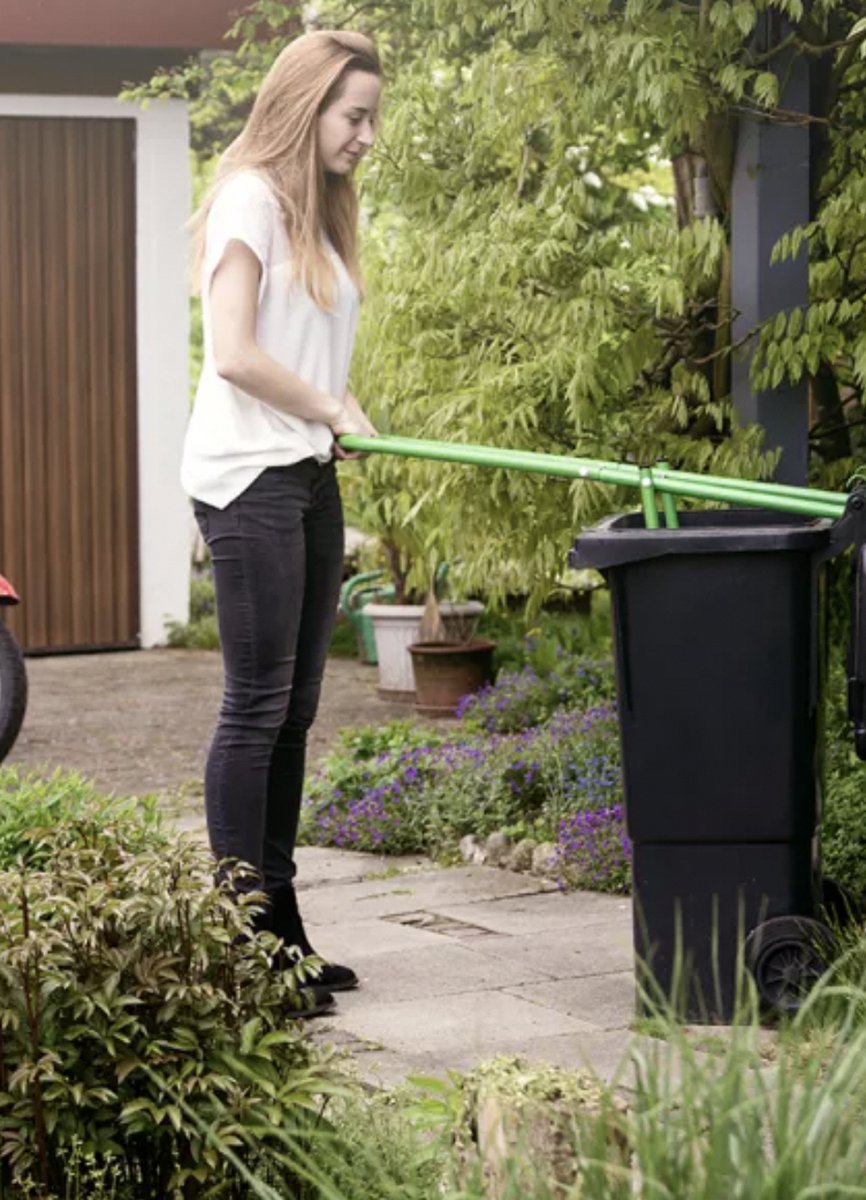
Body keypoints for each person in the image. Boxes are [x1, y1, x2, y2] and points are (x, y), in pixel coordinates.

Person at [181, 30, 381, 1015]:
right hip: (245, 478)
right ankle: (239, 938)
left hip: (303, 475)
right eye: (354, 115)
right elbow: (230, 352)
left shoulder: (324, 212)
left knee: (295, 710)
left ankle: (283, 927)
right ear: (307, 107)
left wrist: (339, 410)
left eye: (372, 116)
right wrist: (327, 405)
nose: (367, 135)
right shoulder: (249, 199)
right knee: (255, 706)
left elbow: (303, 353)